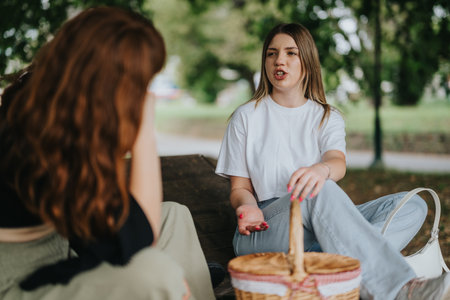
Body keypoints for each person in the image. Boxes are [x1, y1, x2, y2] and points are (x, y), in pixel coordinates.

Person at [215, 23, 449, 300]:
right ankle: (401, 289)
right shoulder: (246, 116)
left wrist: (321, 169)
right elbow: (239, 187)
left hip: (319, 228)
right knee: (319, 190)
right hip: (264, 230)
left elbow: (336, 161)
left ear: (308, 61)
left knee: (412, 205)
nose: (279, 60)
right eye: (271, 53)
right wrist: (248, 207)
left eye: (291, 53)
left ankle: (327, 267)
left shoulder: (327, 116)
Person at [0, 7, 215, 300]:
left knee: (174, 216)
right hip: (17, 280)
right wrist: (143, 132)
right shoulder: (37, 137)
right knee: (156, 271)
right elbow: (135, 245)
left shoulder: (62, 117)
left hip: (61, 248)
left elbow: (116, 218)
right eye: (139, 82)